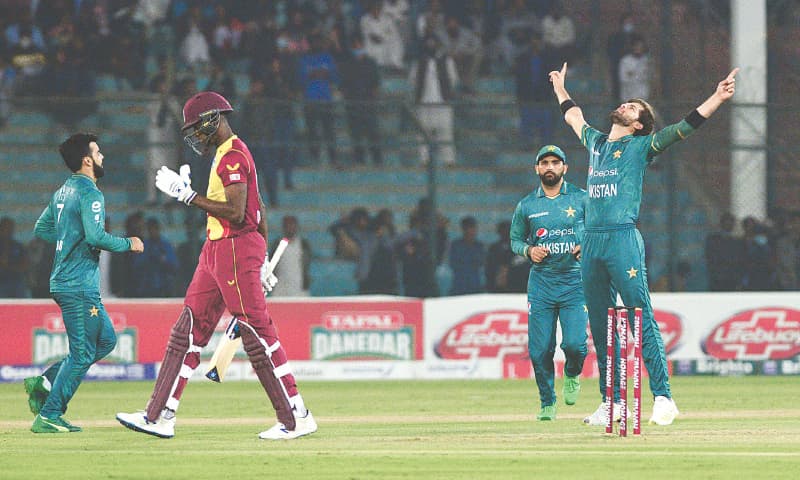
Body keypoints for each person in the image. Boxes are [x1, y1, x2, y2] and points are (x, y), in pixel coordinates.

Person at [115, 91, 317, 440]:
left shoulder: (233, 155)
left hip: (235, 249)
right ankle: (159, 415)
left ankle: (295, 416)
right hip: (218, 249)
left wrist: (189, 196)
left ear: (212, 119)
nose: (195, 137)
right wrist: (265, 254)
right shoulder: (227, 153)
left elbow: (239, 213)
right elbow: (260, 207)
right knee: (187, 331)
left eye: (196, 128)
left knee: (256, 332)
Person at [549, 62, 739, 426]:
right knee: (602, 323)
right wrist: (560, 86)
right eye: (626, 104)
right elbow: (574, 117)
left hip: (622, 237)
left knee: (639, 314)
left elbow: (685, 127)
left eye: (633, 108)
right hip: (591, 240)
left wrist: (717, 96)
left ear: (638, 124)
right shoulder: (597, 143)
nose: (624, 106)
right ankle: (613, 402)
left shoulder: (642, 145)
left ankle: (664, 397)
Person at [24, 133, 144, 433]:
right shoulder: (91, 193)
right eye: (98, 152)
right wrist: (128, 243)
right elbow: (96, 237)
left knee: (106, 341)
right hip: (77, 284)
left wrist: (67, 240)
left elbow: (42, 228)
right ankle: (49, 415)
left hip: (70, 281)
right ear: (87, 159)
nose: (102, 156)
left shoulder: (63, 191)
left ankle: (48, 379)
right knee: (82, 354)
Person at [510, 145, 588, 421]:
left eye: (556, 162)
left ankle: (571, 373)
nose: (550, 167)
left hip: (575, 283)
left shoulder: (582, 199)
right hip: (542, 285)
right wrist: (529, 251)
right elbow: (515, 240)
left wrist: (585, 245)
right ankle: (547, 402)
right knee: (540, 349)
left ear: (565, 167)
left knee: (576, 345)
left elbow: (599, 229)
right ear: (537, 169)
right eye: (545, 163)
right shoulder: (527, 205)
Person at [270, 215, 312, 297]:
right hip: (280, 287)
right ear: (283, 227)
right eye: (287, 225)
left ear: (296, 227)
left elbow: (307, 264)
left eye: (292, 225)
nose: (290, 228)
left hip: (300, 287)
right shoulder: (277, 245)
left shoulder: (303, 245)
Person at [705, 212, 743, 291]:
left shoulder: (736, 241)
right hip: (718, 278)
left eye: (732, 222)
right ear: (722, 223)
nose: (730, 225)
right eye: (727, 222)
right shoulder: (713, 239)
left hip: (732, 279)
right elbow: (710, 257)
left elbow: (739, 260)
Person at [448, 216, 485, 295]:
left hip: (475, 284)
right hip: (459, 284)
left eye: (473, 228)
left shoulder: (479, 246)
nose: (471, 231)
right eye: (469, 228)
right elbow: (453, 263)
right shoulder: (456, 245)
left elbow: (481, 262)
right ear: (464, 229)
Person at [0, 217, 29, 298]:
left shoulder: (18, 246)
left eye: (10, 228)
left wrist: (9, 267)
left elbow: (25, 264)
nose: (8, 231)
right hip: (1, 282)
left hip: (16, 281)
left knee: (21, 305)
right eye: (5, 228)